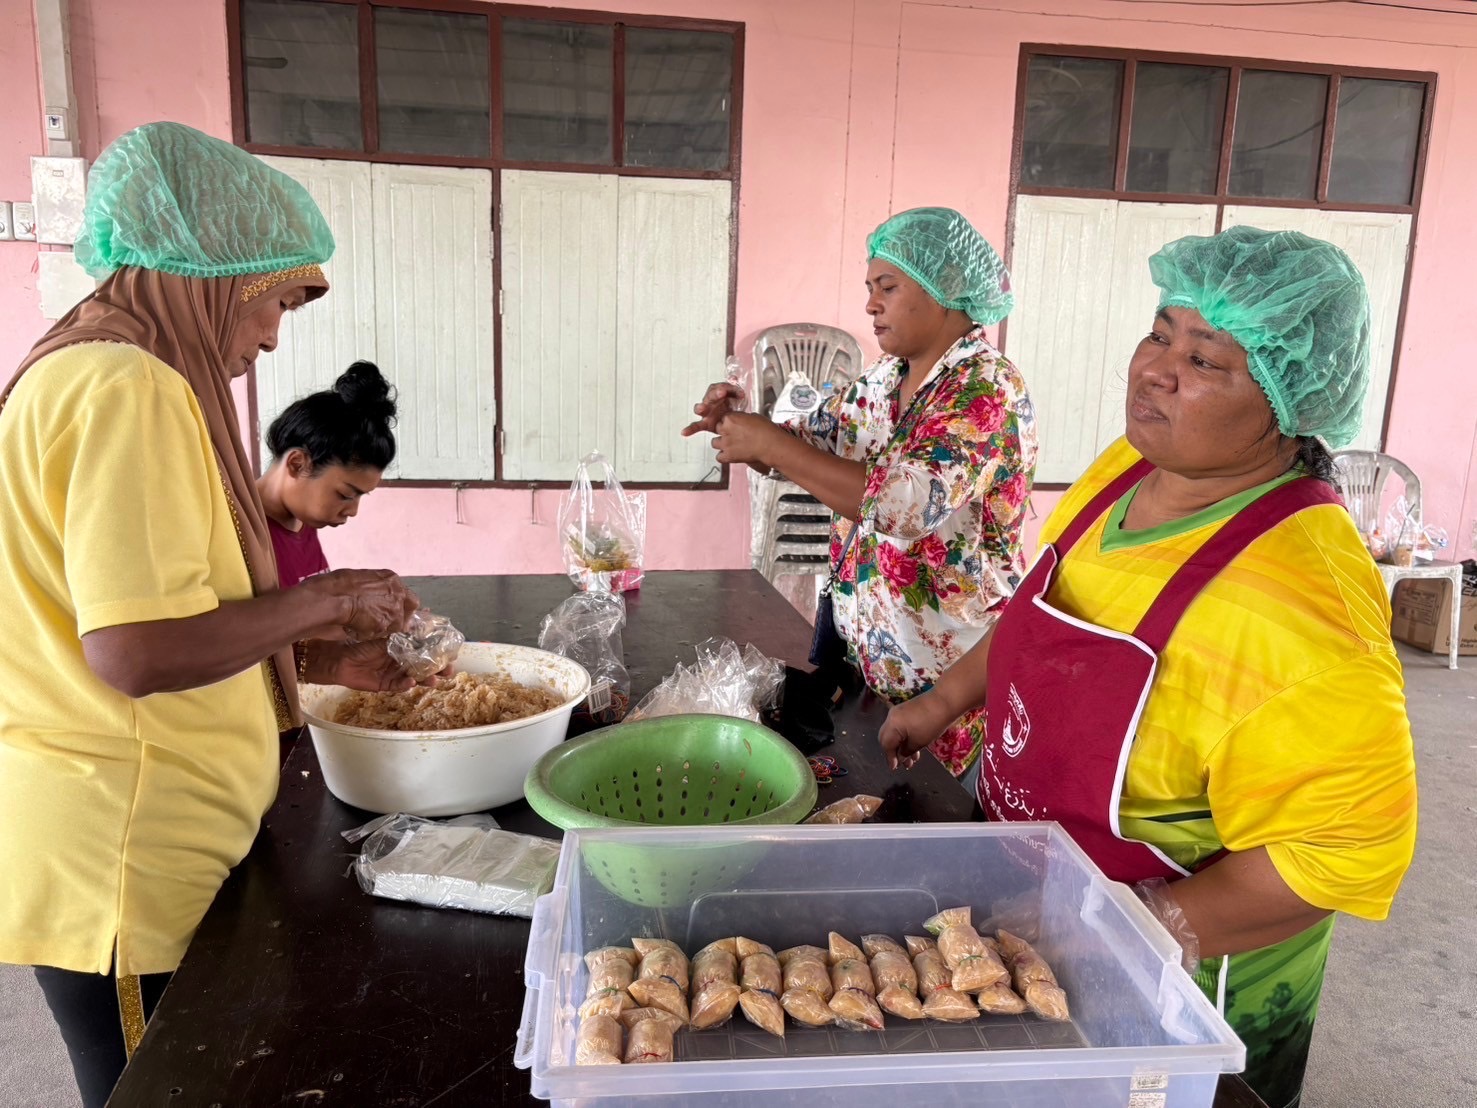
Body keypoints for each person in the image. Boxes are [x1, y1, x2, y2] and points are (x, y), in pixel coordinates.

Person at [879, 225, 1417, 1107]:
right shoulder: (1134, 467)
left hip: (1191, 981)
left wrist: (1141, 926)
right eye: (1159, 332)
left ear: (1286, 401)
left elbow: (1332, 858)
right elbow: (1041, 608)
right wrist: (942, 700)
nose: (1155, 370)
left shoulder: (1303, 613)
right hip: (1035, 907)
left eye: (1205, 359)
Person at [0, 122, 434, 1108]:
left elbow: (165, 612)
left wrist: (324, 660)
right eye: (275, 299)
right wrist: (324, 596)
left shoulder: (96, 368)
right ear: (205, 276)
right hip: (125, 857)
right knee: (155, 1092)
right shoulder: (125, 385)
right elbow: (132, 650)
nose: (275, 335)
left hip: (145, 834)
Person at [685, 207, 1038, 778]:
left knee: (940, 827)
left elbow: (903, 506)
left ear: (945, 286)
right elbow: (819, 443)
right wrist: (747, 427)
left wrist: (773, 447)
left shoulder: (984, 391)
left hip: (953, 685)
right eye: (869, 288)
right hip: (874, 668)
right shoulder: (885, 377)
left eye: (888, 287)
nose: (871, 304)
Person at [257, 361, 397, 590]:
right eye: (345, 494)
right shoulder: (236, 532)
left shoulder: (303, 518)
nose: (353, 511)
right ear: (297, 464)